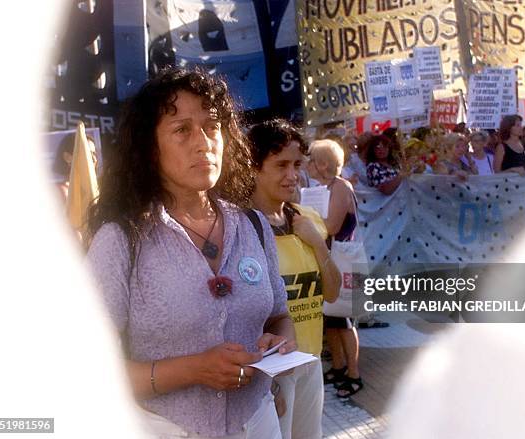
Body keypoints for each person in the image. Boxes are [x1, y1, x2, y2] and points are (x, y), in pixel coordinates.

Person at [86, 68, 296, 439]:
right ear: (150, 149)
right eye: (182, 130)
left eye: (212, 126)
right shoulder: (120, 241)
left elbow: (278, 316)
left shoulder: (253, 225)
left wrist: (279, 343)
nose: (204, 143)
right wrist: (193, 369)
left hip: (258, 422)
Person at [247, 120, 341, 439]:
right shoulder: (238, 227)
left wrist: (317, 243)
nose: (292, 175)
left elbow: (332, 293)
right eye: (280, 165)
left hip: (310, 360)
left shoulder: (308, 220)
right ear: (254, 168)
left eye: (297, 164)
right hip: (271, 370)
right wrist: (265, 376)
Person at [307, 138, 364, 399]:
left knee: (344, 318)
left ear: (323, 164)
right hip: (331, 259)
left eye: (312, 159)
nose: (307, 165)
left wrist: (307, 221)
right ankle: (338, 366)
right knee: (330, 317)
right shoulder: (323, 187)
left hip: (343, 260)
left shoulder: (340, 187)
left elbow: (331, 227)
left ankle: (354, 373)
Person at [53, 131, 98, 202]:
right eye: (87, 154)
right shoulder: (58, 193)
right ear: (67, 157)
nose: (94, 159)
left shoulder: (98, 190)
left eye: (94, 153)